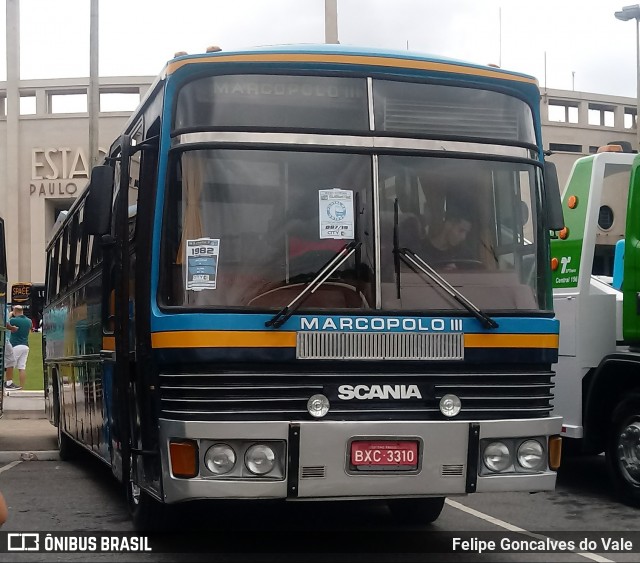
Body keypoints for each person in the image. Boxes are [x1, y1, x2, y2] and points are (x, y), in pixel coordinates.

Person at [422, 202, 474, 266]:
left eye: (466, 232)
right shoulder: (420, 252)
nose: (464, 237)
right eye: (461, 230)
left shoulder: (465, 256)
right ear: (448, 225)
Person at [8, 305, 31, 390]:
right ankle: (22, 387)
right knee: (22, 367)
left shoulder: (13, 320)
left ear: (15, 311)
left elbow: (7, 323)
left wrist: (10, 315)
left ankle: (9, 383)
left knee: (10, 365)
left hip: (15, 345)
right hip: (25, 345)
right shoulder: (29, 321)